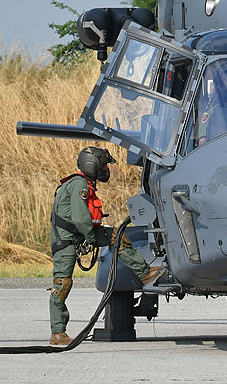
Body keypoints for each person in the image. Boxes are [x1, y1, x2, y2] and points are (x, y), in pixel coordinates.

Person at [49, 146, 162, 345]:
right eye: (103, 166)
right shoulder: (79, 186)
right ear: (93, 166)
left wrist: (92, 235)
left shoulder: (85, 184)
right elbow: (79, 217)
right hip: (67, 240)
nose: (105, 170)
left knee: (119, 238)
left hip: (82, 234)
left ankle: (145, 273)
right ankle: (58, 333)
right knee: (62, 283)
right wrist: (91, 237)